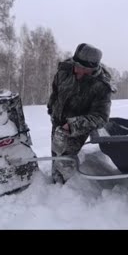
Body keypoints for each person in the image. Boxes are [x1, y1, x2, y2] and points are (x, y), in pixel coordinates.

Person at [47, 43, 116, 184]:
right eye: (77, 66)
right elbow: (55, 91)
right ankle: (55, 182)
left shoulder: (102, 85)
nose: (78, 71)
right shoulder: (64, 70)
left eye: (84, 69)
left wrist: (73, 125)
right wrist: (51, 108)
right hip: (57, 121)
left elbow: (101, 117)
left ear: (93, 68)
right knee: (55, 153)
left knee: (65, 160)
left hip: (77, 128)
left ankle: (65, 190)